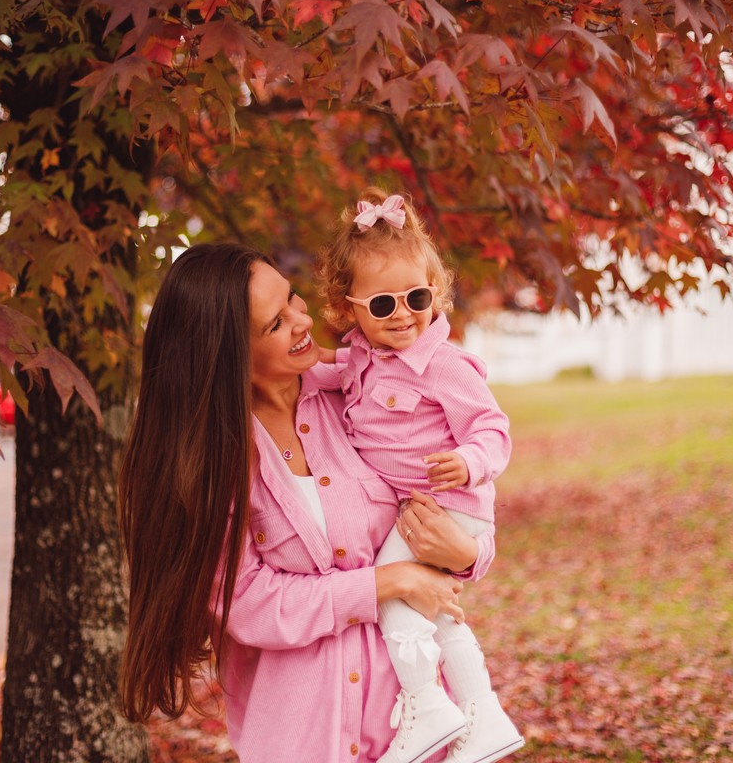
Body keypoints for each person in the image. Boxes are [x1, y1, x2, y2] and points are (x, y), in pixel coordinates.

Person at [116, 243, 497, 763]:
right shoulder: (213, 458)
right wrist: (384, 583)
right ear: (228, 354)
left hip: (411, 733)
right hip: (302, 740)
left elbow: (455, 499)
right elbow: (246, 602)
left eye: (293, 299)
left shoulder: (361, 393)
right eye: (275, 324)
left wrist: (468, 555)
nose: (302, 321)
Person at [316, 189, 524, 763]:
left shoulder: (443, 364)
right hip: (422, 510)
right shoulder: (360, 355)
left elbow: (494, 427)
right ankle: (483, 714)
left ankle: (426, 701)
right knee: (433, 607)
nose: (403, 313)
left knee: (394, 595)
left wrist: (471, 461)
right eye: (382, 305)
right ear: (347, 306)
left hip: (446, 503)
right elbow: (323, 377)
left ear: (436, 290)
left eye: (416, 296)